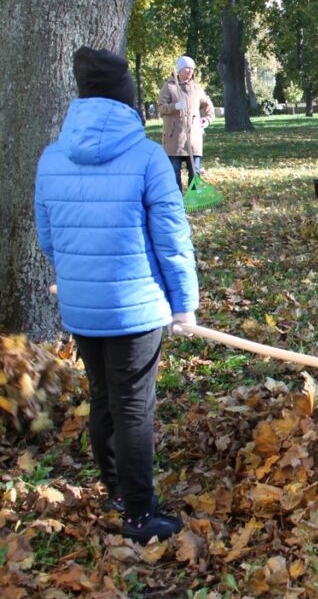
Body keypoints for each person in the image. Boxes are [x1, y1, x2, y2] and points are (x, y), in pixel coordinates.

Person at [35, 47, 199, 543]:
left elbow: (48, 238)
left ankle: (114, 490)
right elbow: (172, 239)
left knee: (105, 397)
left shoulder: (51, 156)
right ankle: (139, 514)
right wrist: (184, 304)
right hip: (135, 309)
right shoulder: (147, 155)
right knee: (132, 406)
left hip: (82, 307)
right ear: (126, 100)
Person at [157, 56, 215, 192]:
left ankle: (194, 197)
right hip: (174, 138)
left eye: (192, 68)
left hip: (193, 137)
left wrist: (206, 119)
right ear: (179, 69)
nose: (190, 71)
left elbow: (208, 107)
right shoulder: (169, 87)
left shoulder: (197, 88)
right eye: (187, 68)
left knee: (195, 170)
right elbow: (161, 107)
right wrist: (175, 106)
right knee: (174, 171)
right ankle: (176, 198)